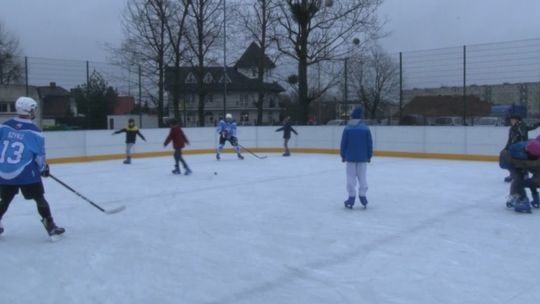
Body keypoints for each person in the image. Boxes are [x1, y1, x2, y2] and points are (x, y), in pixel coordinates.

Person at [0, 97, 65, 238]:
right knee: (39, 198)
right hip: (25, 173)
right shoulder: (35, 132)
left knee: (5, 200)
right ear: (29, 110)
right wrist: (43, 169)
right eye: (34, 108)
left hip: (4, 172)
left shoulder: (3, 126)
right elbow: (39, 157)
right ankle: (50, 226)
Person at [340, 107, 373, 209]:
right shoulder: (366, 128)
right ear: (361, 117)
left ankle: (351, 198)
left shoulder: (347, 128)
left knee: (350, 178)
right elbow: (369, 144)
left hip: (350, 157)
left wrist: (343, 155)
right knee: (362, 177)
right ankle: (363, 196)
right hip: (362, 158)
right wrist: (369, 155)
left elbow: (343, 143)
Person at [502, 114, 540, 182]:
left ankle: (525, 174)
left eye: (513, 120)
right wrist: (506, 148)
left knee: (523, 161)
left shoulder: (523, 126)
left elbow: (533, 126)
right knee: (510, 160)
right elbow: (510, 139)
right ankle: (513, 174)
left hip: (522, 148)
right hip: (513, 148)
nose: (511, 121)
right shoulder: (512, 128)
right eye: (511, 120)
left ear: (517, 120)